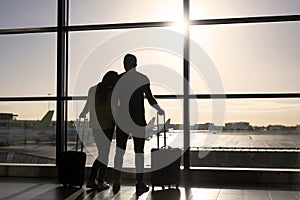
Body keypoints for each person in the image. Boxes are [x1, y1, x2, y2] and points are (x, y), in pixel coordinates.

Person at [112, 54, 164, 196]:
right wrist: (159, 109)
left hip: (122, 120)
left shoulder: (119, 79)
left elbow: (114, 100)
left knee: (119, 152)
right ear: (136, 63)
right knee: (139, 152)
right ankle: (139, 183)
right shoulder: (142, 78)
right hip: (138, 120)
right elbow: (149, 97)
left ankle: (117, 181)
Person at [80, 71, 119, 190]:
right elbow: (111, 110)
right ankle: (100, 180)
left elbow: (88, 105)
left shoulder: (92, 90)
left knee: (101, 153)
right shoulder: (111, 92)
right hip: (107, 125)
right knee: (104, 154)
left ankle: (92, 180)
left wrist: (83, 113)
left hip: (95, 126)